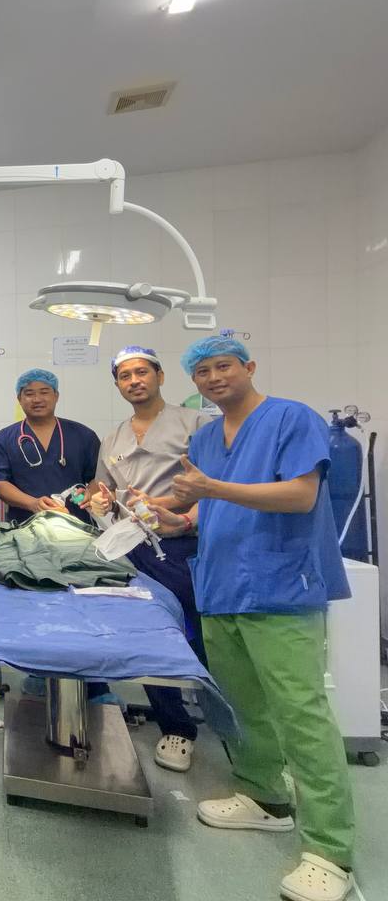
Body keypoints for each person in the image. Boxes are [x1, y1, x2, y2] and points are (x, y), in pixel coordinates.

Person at [169, 335, 355, 901]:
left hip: (281, 586)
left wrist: (209, 488)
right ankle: (265, 797)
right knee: (242, 704)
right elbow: (208, 507)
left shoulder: (291, 418)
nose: (214, 378)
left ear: (248, 366)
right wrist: (172, 517)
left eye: (223, 366)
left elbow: (300, 495)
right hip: (221, 586)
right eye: (202, 372)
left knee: (301, 714)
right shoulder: (206, 437)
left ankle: (330, 850)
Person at [85, 346, 210, 773]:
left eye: (141, 372)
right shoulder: (114, 438)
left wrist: (169, 510)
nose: (134, 381)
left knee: (202, 634)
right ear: (117, 385)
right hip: (133, 546)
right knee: (148, 634)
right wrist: (98, 502)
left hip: (183, 543)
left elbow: (214, 485)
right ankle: (176, 727)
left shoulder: (195, 424)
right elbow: (101, 491)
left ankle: (227, 716)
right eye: (125, 376)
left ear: (160, 376)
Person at [0, 369, 99, 524]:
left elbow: (99, 477)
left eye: (44, 392)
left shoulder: (83, 435)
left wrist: (90, 493)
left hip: (76, 525)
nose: (37, 399)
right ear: (19, 399)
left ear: (56, 396)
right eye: (29, 393)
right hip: (25, 526)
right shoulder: (3, 440)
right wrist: (33, 504)